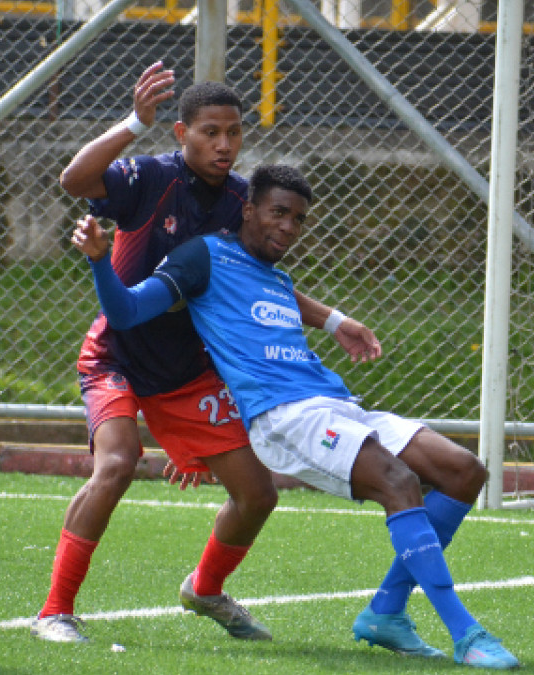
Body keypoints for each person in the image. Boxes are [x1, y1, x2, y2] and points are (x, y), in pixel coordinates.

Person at [72, 164, 522, 670]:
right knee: (398, 481)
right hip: (286, 419)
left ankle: (387, 614)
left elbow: (290, 305)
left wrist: (335, 321)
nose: (287, 227)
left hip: (337, 406)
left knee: (465, 471)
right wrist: (98, 262)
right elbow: (129, 311)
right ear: (248, 210)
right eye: (278, 213)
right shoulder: (203, 257)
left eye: (298, 219)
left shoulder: (278, 280)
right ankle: (466, 634)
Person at [33, 64, 381, 644]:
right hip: (116, 354)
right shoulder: (148, 178)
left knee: (257, 493)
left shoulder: (244, 201)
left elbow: (257, 284)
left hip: (187, 371)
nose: (224, 144)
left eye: (234, 133)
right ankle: (55, 611)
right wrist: (132, 122)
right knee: (117, 464)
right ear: (180, 133)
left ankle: (206, 589)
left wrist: (334, 320)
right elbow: (74, 178)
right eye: (210, 132)